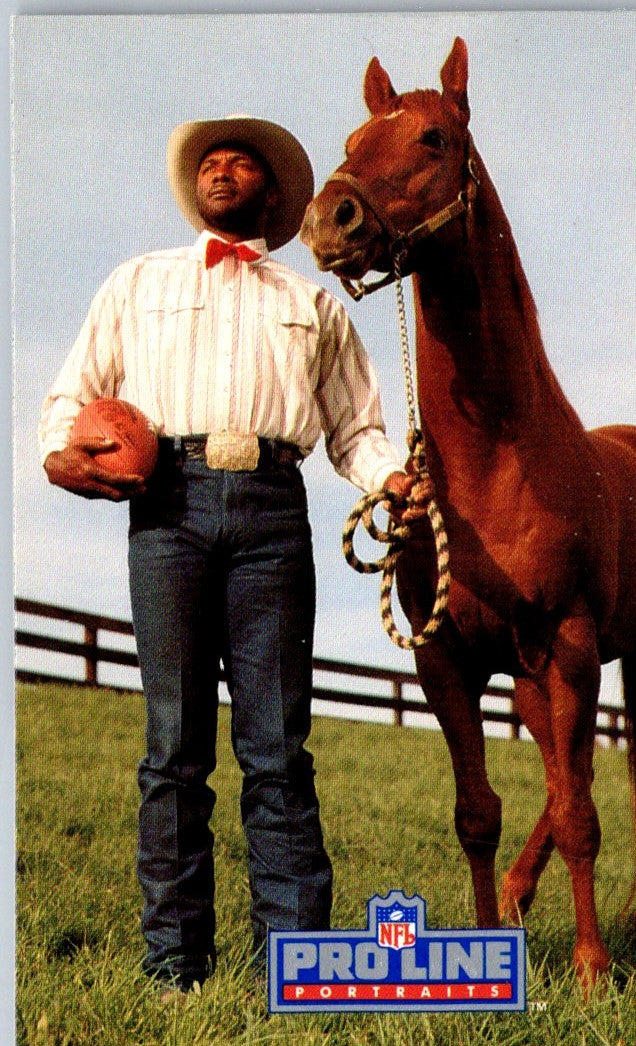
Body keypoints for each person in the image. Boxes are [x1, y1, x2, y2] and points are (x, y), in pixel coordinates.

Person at [39, 114, 421, 995]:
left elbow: (356, 433)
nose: (219, 170)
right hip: (166, 505)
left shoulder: (314, 304)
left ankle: (297, 968)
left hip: (273, 514)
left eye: (238, 161)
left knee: (277, 746)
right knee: (173, 745)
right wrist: (63, 458)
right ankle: (175, 965)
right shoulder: (137, 282)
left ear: (271, 191)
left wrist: (394, 481)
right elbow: (73, 400)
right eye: (208, 162)